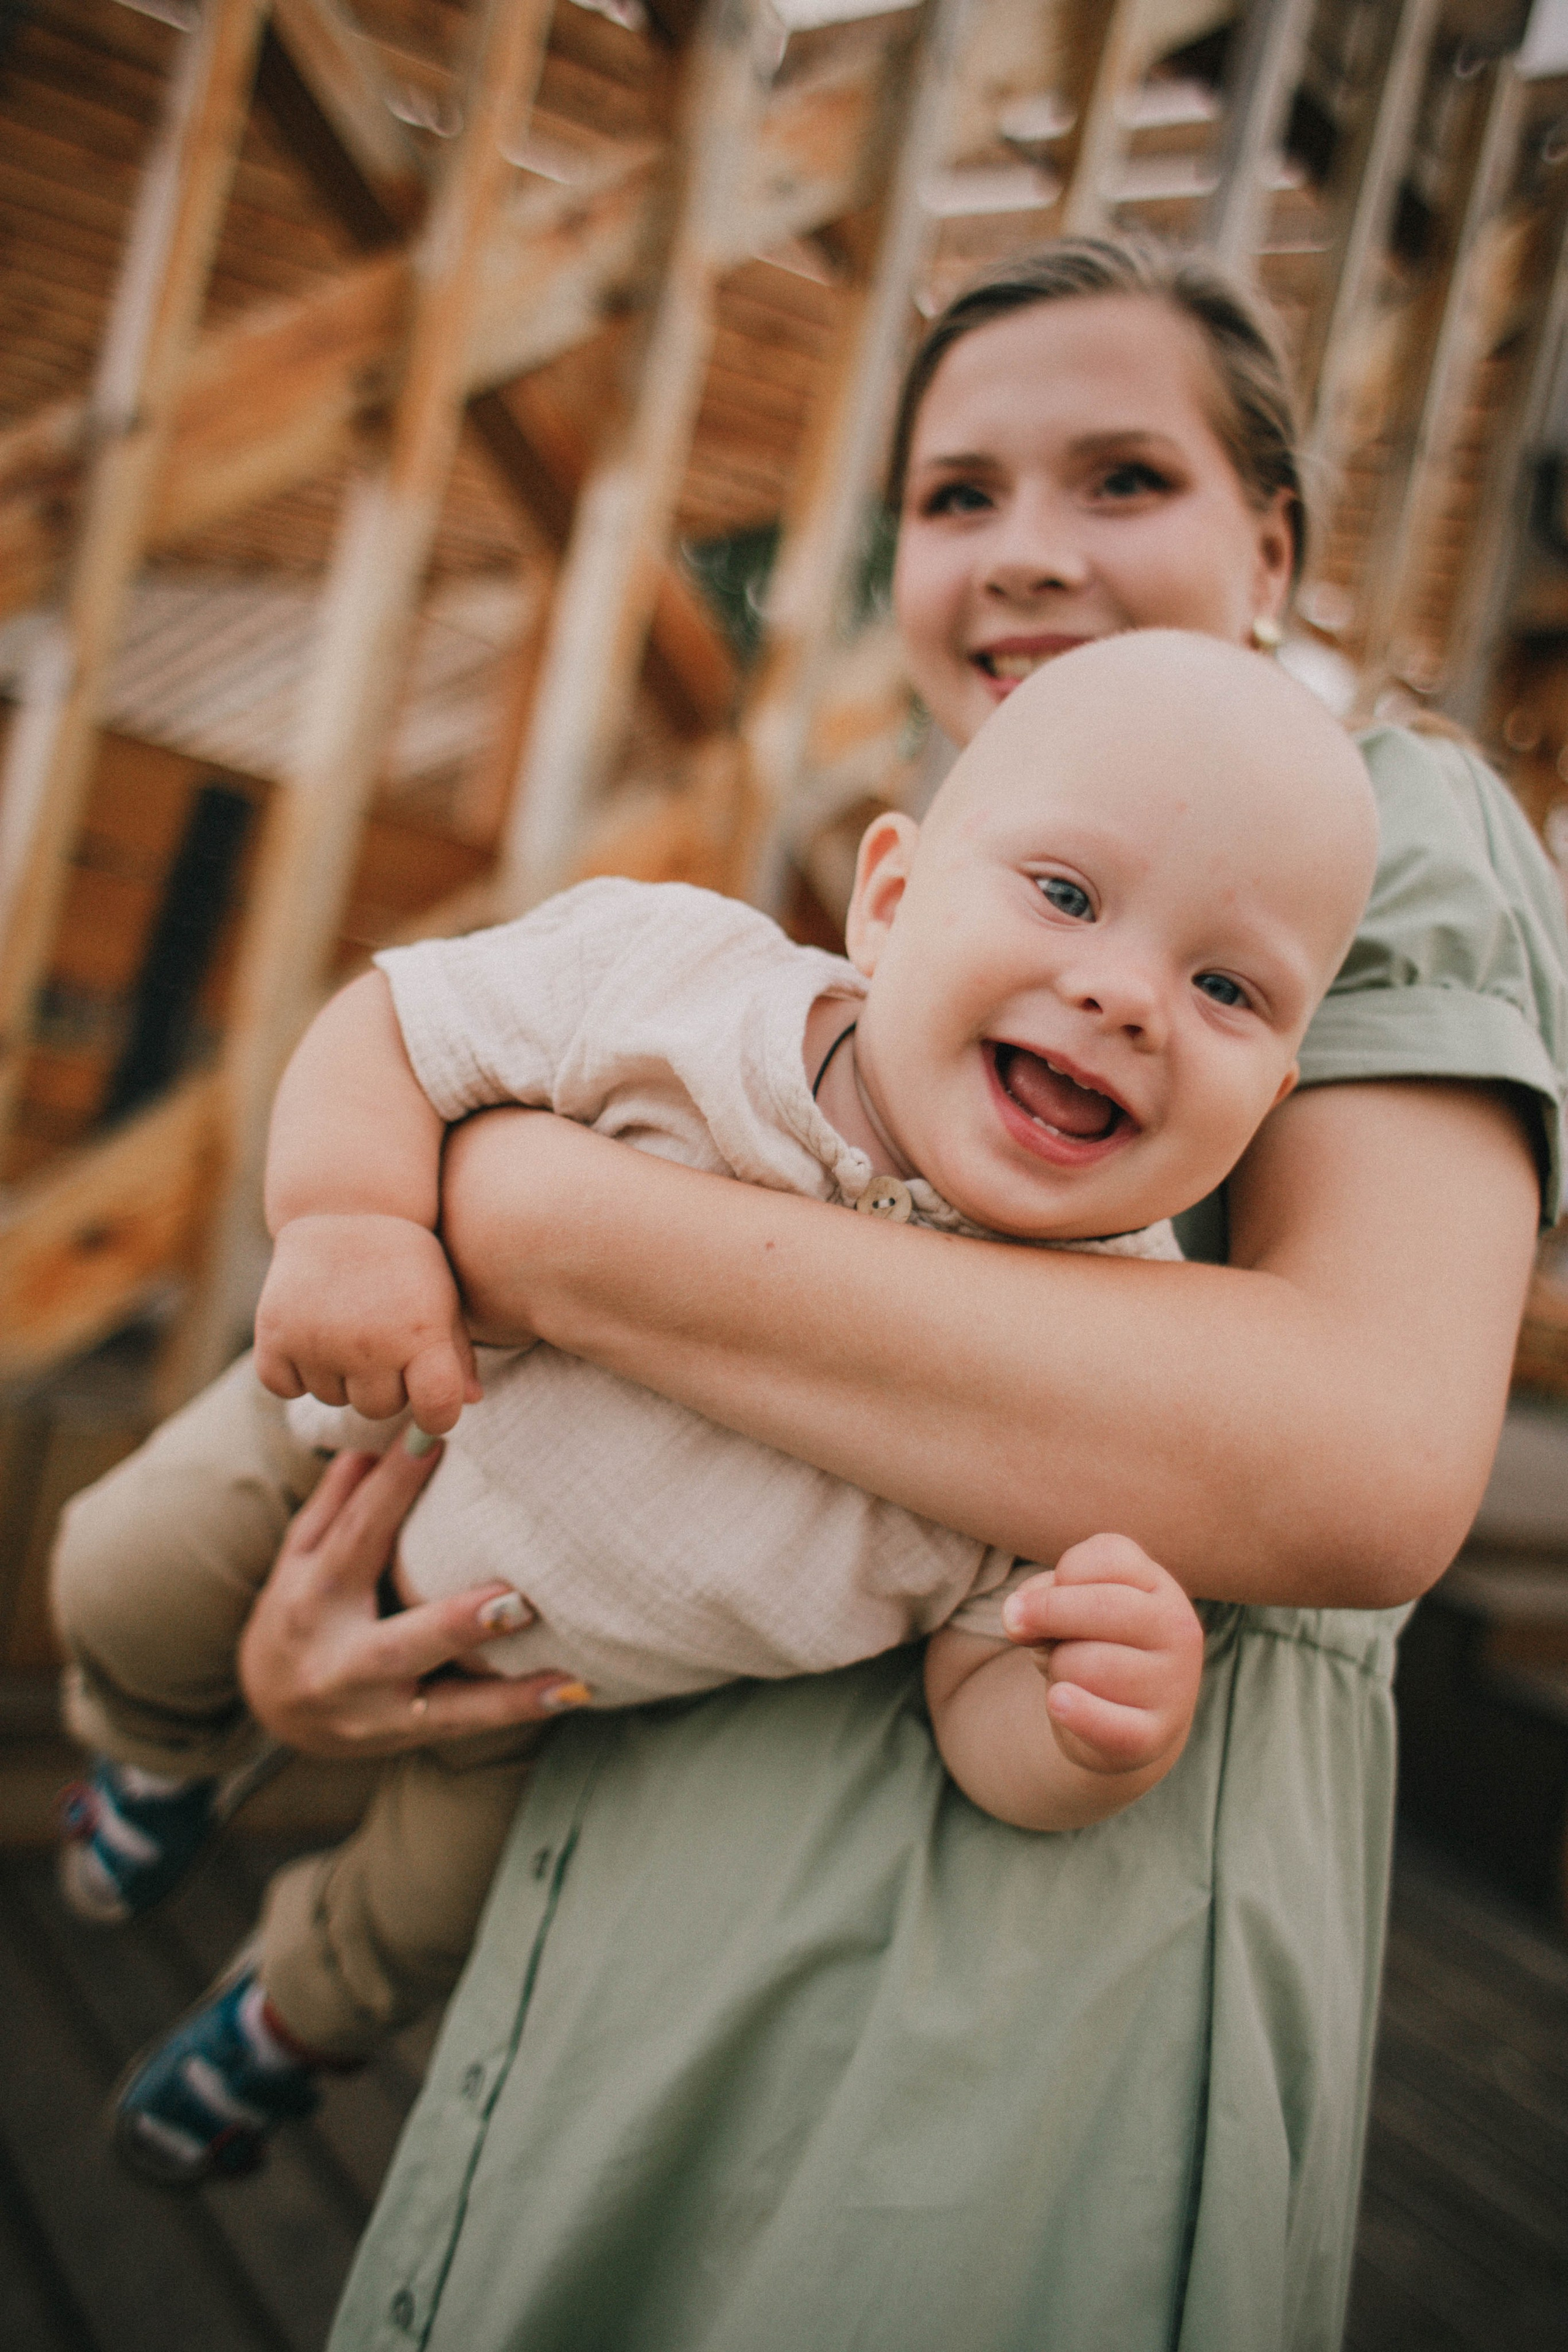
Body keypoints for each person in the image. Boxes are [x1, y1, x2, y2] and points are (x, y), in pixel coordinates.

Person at [121, 233, 1568, 2345]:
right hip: (644, 1848)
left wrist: (515, 1211)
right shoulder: (905, 913)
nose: (1029, 553)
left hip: (994, 1974)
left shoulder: (1377, 818)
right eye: (957, 496)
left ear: (1270, 541)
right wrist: (319, 1657)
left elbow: (1362, 1453)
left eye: (1124, 481)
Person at [56, 631, 1376, 2182]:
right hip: (365, 1442)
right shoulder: (679, 984)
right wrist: (350, 1219)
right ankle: (155, 1754)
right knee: (121, 1575)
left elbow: (977, 1695)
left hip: (546, 1699)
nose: (1123, 995)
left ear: (1271, 1095)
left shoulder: (1116, 1367)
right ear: (888, 902)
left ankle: (283, 2026)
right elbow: (400, 1022)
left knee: (420, 1922)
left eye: (1226, 988)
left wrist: (1093, 1729)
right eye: (1067, 897)